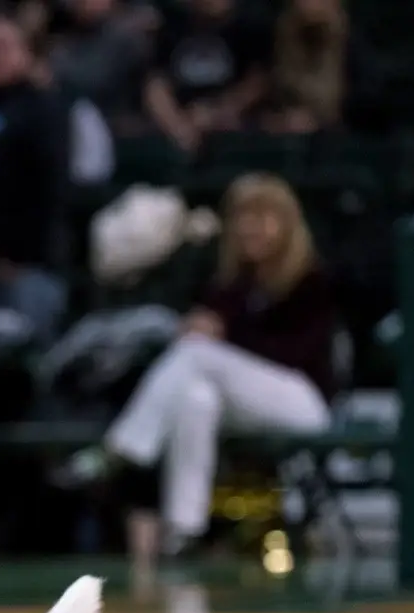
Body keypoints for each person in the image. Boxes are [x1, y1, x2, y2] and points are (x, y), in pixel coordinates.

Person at [55, 174, 335, 558]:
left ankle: (120, 449)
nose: (251, 228)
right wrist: (202, 328)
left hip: (303, 402)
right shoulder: (231, 283)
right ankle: (184, 530)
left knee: (198, 353)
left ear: (286, 223)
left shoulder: (311, 280)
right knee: (195, 398)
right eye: (243, 218)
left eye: (262, 218)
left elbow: (296, 352)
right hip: (242, 401)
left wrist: (223, 337)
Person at [0, 4, 70, 342]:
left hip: (25, 268)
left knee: (23, 353)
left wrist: (18, 257)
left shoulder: (42, 108)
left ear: (24, 52)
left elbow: (50, 189)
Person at [143, 0, 270, 154]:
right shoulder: (172, 26)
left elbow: (258, 82)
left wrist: (217, 112)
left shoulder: (248, 24)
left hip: (237, 132)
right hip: (180, 127)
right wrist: (177, 124)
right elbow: (156, 85)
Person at [261, 0, 377, 135]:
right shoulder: (276, 35)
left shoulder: (352, 48)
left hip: (335, 135)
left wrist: (319, 122)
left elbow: (366, 108)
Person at [46, 0, 159, 134]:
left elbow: (98, 78)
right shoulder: (62, 46)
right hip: (83, 123)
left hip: (127, 122)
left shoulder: (126, 34)